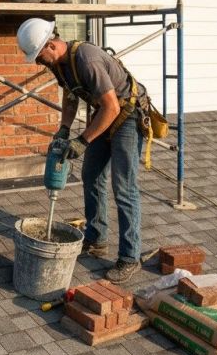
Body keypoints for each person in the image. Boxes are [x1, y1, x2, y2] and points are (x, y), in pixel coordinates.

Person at [17, 17, 149, 283]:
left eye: (39, 56)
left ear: (51, 45)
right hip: (105, 114)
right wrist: (65, 130)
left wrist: (83, 140)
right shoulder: (59, 65)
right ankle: (96, 238)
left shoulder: (86, 60)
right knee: (91, 176)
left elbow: (112, 107)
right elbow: (70, 95)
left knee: (123, 188)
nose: (39, 62)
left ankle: (129, 257)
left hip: (127, 115)